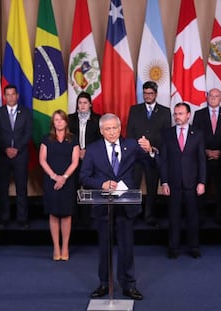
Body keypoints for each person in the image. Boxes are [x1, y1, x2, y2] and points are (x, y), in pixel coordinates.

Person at [80, 113, 157, 300]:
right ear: (101, 130)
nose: (112, 132)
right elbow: (84, 176)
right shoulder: (92, 150)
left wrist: (150, 150)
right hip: (103, 205)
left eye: (115, 128)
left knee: (127, 247)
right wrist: (102, 184)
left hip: (126, 204)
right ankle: (104, 284)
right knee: (104, 247)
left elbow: (150, 163)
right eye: (108, 129)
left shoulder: (131, 146)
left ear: (120, 128)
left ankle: (128, 285)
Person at [160, 102, 206, 259]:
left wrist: (202, 182)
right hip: (173, 184)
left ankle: (193, 247)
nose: (177, 117)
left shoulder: (198, 133)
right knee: (174, 217)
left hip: (192, 184)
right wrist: (164, 182)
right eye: (175, 114)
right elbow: (164, 160)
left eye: (180, 114)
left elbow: (201, 160)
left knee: (193, 217)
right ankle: (173, 248)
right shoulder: (167, 134)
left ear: (188, 115)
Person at [127, 81, 171, 227]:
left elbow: (166, 135)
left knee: (152, 187)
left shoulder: (165, 112)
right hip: (136, 156)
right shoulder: (134, 109)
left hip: (154, 155)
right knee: (133, 185)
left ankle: (149, 215)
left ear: (156, 94)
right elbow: (129, 133)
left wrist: (152, 148)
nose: (147, 96)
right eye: (145, 93)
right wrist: (138, 146)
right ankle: (132, 214)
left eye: (150, 94)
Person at [39, 110, 80, 261]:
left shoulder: (73, 139)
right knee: (54, 214)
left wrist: (63, 177)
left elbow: (75, 162)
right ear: (53, 123)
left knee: (66, 215)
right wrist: (54, 176)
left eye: (61, 120)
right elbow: (42, 160)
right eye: (56, 120)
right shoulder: (46, 139)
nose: (59, 122)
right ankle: (56, 247)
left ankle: (65, 247)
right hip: (51, 181)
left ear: (66, 122)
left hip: (68, 181)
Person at [0, 84, 33, 229]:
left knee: (21, 189)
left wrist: (16, 149)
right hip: (2, 156)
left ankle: (22, 219)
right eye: (7, 94)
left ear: (17, 96)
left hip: (20, 155)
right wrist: (5, 149)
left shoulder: (27, 112)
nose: (10, 97)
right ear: (4, 97)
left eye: (13, 94)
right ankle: (4, 219)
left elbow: (28, 133)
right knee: (2, 189)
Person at [192, 88, 221, 225]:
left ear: (220, 98)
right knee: (202, 188)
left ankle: (220, 215)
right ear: (207, 97)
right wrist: (205, 151)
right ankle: (201, 216)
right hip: (203, 158)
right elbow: (196, 136)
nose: (214, 98)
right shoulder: (199, 114)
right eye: (211, 96)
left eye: (216, 96)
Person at [68, 92, 101, 227]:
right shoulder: (70, 119)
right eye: (80, 103)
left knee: (89, 188)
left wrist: (87, 152)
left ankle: (88, 218)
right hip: (73, 157)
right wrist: (77, 151)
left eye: (85, 103)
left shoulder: (97, 119)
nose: (82, 105)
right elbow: (67, 138)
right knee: (74, 187)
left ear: (90, 105)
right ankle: (75, 218)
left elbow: (100, 140)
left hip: (91, 158)